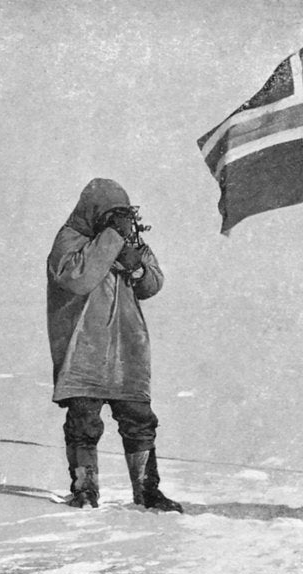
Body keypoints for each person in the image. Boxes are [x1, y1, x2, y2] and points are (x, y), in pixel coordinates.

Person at [46, 178, 183, 512]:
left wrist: (135, 265)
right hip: (84, 349)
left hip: (126, 347)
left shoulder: (127, 241)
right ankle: (85, 490)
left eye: (123, 215)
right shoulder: (70, 240)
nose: (121, 221)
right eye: (112, 214)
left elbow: (153, 282)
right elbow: (78, 278)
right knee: (84, 421)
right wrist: (112, 240)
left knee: (139, 419)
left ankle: (147, 490)